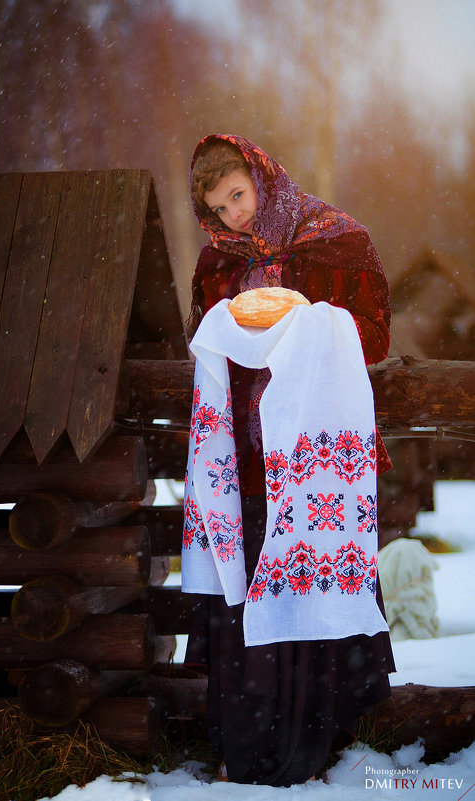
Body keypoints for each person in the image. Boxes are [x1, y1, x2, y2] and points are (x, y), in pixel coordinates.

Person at [182, 133, 395, 786]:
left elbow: (377, 336)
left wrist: (311, 324)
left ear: (262, 178)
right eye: (218, 209)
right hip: (243, 468)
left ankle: (316, 744)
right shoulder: (214, 266)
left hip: (316, 462)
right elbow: (205, 346)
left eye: (238, 197)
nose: (232, 217)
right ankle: (246, 747)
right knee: (249, 605)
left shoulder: (337, 239)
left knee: (310, 602)